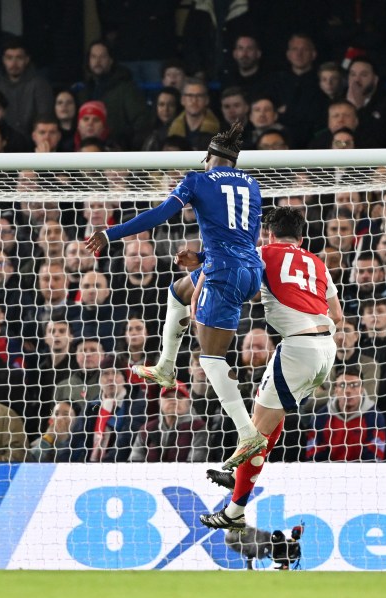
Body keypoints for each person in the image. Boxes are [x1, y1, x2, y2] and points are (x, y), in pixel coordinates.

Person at [85, 121, 267, 470]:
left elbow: (159, 214)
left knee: (211, 361)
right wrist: (200, 259)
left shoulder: (197, 180)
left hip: (223, 274)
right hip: (248, 271)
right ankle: (166, 367)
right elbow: (243, 240)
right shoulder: (252, 185)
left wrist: (111, 234)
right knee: (178, 291)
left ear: (208, 158)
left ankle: (248, 433)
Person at [198, 206, 341, 529]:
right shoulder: (317, 262)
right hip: (326, 349)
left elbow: (236, 278)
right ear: (301, 238)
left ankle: (233, 510)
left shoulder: (262, 253)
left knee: (254, 433)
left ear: (269, 234)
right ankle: (235, 477)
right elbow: (338, 315)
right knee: (266, 423)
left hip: (297, 348)